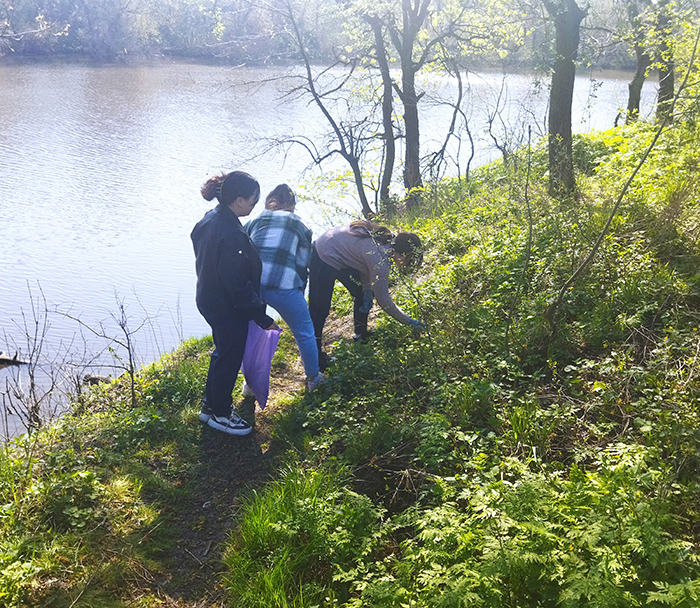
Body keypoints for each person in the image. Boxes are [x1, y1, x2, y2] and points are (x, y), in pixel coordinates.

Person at [191, 170, 277, 436]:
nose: (254, 205)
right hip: (227, 307)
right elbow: (237, 284)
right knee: (229, 357)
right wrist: (261, 316)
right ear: (238, 200)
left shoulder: (211, 219)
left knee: (222, 353)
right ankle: (221, 414)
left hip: (209, 298)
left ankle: (209, 407)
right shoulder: (230, 233)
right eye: (252, 200)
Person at [308, 220, 426, 370]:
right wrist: (408, 321)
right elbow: (384, 300)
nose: (407, 264)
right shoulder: (381, 257)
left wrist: (367, 290)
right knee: (319, 310)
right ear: (402, 254)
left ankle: (360, 336)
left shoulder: (387, 245)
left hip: (339, 252)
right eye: (409, 259)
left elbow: (364, 266)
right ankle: (315, 358)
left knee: (360, 293)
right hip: (323, 253)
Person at [245, 184, 324, 391]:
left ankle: (249, 386)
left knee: (253, 333)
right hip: (283, 285)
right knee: (305, 331)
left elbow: (244, 252)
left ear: (269, 200)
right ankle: (314, 379)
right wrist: (300, 289)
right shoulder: (300, 224)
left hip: (252, 286)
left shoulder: (254, 220)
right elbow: (302, 262)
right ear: (292, 205)